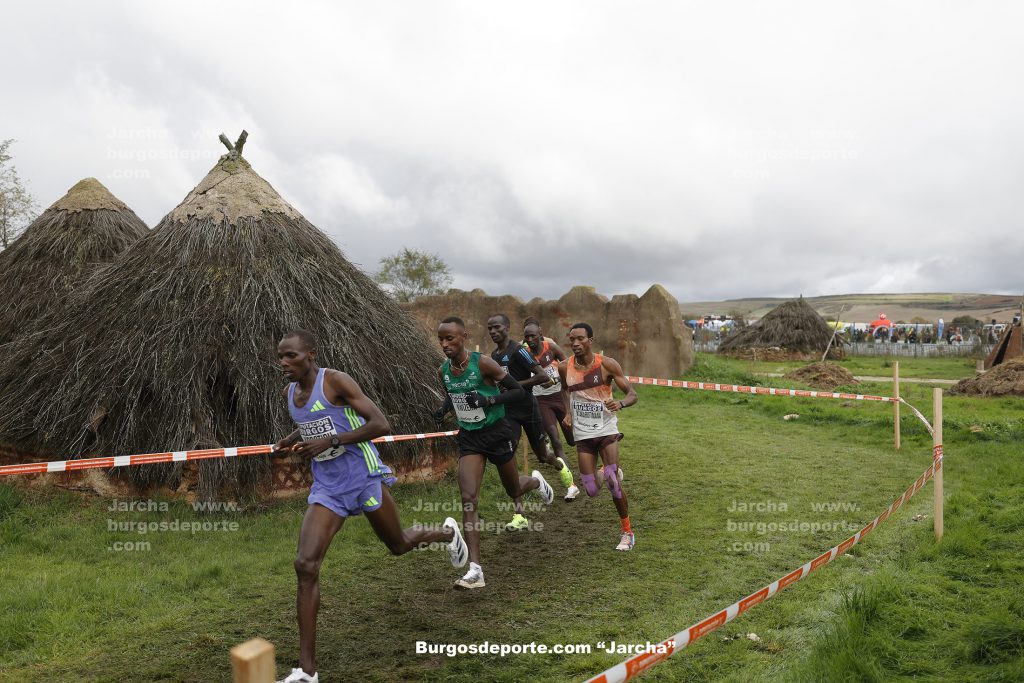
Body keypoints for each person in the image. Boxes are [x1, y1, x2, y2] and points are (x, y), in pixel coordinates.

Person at [274, 329, 469, 683]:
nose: (284, 363)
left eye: (291, 356)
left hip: (363, 477)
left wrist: (332, 441)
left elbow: (380, 424)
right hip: (328, 488)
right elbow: (313, 424)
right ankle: (306, 670)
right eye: (280, 357)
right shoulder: (290, 393)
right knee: (305, 565)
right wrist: (289, 440)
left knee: (399, 544)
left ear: (311, 354)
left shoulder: (336, 381)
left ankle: (447, 533)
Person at [434, 316, 554, 589]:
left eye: (450, 338)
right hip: (470, 438)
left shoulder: (483, 363)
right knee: (468, 498)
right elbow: (453, 394)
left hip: (497, 433)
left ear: (464, 337)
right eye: (441, 339)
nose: (444, 344)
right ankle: (475, 569)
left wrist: (489, 399)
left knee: (514, 489)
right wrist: (443, 409)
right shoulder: (443, 371)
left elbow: (517, 392)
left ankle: (536, 482)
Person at [487, 313, 576, 527]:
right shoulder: (493, 356)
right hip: (508, 412)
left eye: (497, 327)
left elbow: (542, 376)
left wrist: (514, 385)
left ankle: (559, 467)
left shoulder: (519, 350)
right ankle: (519, 515)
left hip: (529, 409)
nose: (493, 332)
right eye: (490, 328)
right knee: (508, 457)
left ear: (507, 328)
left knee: (543, 456)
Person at [557, 322, 639, 551]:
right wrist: (567, 411)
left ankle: (627, 533)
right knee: (592, 491)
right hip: (583, 434)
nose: (575, 343)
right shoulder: (564, 367)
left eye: (580, 339)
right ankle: (605, 470)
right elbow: (564, 390)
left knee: (613, 483)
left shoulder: (607, 365)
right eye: (572, 339)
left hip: (606, 431)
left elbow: (632, 394)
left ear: (590, 340)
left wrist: (620, 403)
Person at [522, 318, 580, 502]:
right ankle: (571, 485)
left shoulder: (552, 348)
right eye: (526, 337)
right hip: (541, 401)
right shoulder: (523, 354)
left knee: (572, 440)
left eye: (533, 336)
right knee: (556, 440)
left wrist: (556, 379)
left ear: (540, 334)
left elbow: (570, 367)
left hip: (560, 397)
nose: (530, 340)